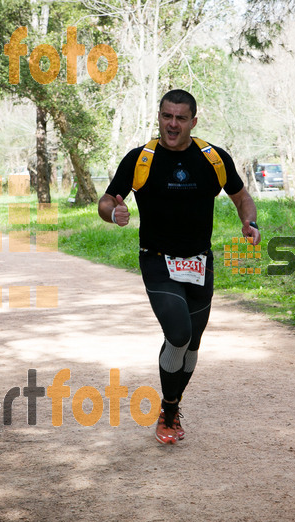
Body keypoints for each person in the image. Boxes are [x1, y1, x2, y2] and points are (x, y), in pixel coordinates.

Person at [98, 89, 261, 445]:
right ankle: (169, 411)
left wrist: (249, 222)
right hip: (157, 260)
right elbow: (108, 199)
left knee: (192, 343)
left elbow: (240, 195)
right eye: (166, 116)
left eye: (180, 118)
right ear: (159, 116)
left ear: (193, 121)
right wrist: (114, 212)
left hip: (199, 262)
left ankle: (171, 404)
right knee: (179, 333)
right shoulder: (140, 159)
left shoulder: (213, 158)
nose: (172, 124)